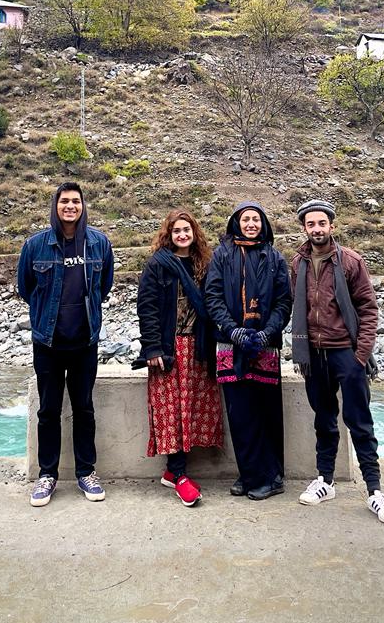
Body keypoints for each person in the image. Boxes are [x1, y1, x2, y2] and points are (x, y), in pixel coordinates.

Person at [290, 199, 384, 524]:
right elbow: (295, 306)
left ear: (331, 226)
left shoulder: (350, 261)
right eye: (311, 224)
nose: (317, 229)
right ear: (305, 228)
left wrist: (360, 356)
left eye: (321, 223)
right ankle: (325, 481)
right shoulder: (299, 263)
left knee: (359, 422)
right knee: (324, 421)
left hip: (345, 354)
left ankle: (375, 491)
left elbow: (368, 309)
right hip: (313, 356)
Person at [17, 181, 114, 507]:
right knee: (48, 411)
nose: (70, 206)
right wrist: (47, 315)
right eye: (64, 202)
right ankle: (48, 475)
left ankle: (87, 472)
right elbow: (25, 287)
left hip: (85, 342)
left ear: (83, 206)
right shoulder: (36, 245)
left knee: (84, 409)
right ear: (56, 207)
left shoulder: (99, 244)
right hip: (48, 343)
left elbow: (105, 284)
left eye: (75, 201)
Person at [134, 210, 223, 507]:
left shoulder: (205, 263)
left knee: (192, 410)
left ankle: (174, 473)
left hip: (199, 347)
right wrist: (152, 348)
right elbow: (146, 308)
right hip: (170, 349)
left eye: (187, 230)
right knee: (174, 412)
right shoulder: (158, 264)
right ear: (169, 235)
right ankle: (180, 475)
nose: (182, 235)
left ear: (194, 233)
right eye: (177, 231)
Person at [205, 202, 292, 501]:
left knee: (266, 411)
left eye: (256, 219)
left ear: (263, 224)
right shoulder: (222, 255)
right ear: (236, 223)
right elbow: (212, 296)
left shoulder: (275, 258)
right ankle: (250, 472)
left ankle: (271, 476)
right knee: (240, 412)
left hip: (265, 344)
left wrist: (267, 332)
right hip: (232, 343)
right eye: (246, 219)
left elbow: (284, 301)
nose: (251, 224)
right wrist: (234, 331)